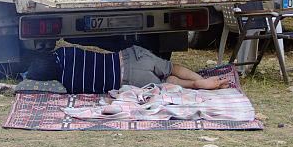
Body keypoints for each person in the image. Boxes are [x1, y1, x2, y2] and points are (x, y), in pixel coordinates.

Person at [25, 45, 230, 94]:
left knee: (167, 83)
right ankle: (199, 78)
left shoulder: (69, 84)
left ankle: (195, 85)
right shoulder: (65, 53)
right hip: (128, 58)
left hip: (129, 80)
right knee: (170, 67)